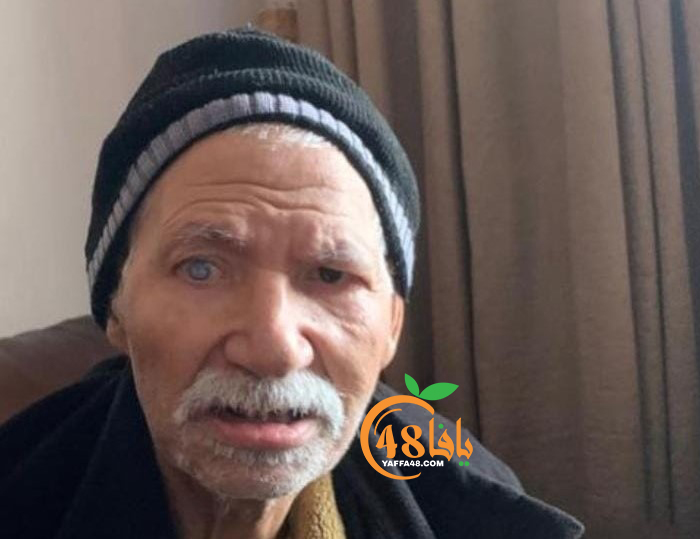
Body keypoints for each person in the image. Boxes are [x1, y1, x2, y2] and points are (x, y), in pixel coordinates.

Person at [0, 27, 584, 539]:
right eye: (201, 268)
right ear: (116, 310)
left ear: (391, 326)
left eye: (331, 275)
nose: (274, 348)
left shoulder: (470, 504)